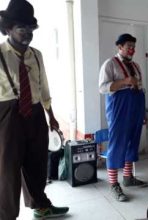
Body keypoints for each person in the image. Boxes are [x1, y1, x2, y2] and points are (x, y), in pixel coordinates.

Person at [0, 0, 69, 219]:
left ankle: (40, 205)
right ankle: (6, 215)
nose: (27, 33)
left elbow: (43, 86)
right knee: (8, 169)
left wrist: (51, 115)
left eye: (30, 28)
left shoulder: (36, 55)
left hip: (36, 112)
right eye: (22, 28)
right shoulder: (0, 53)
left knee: (37, 162)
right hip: (8, 114)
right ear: (8, 28)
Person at [99, 33, 146, 202]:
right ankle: (113, 184)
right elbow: (103, 88)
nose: (132, 50)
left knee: (132, 141)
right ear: (119, 47)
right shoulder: (110, 64)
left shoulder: (136, 66)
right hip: (119, 108)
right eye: (129, 47)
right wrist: (126, 81)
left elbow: (139, 87)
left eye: (134, 47)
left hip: (136, 106)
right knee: (117, 143)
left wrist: (144, 112)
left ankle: (128, 178)